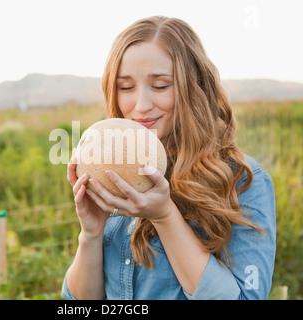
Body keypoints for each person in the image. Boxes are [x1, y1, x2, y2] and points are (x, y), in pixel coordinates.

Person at [61, 16, 276, 300]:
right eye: (126, 87)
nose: (141, 105)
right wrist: (91, 233)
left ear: (194, 87)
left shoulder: (242, 182)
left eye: (161, 86)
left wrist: (164, 215)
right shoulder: (113, 173)